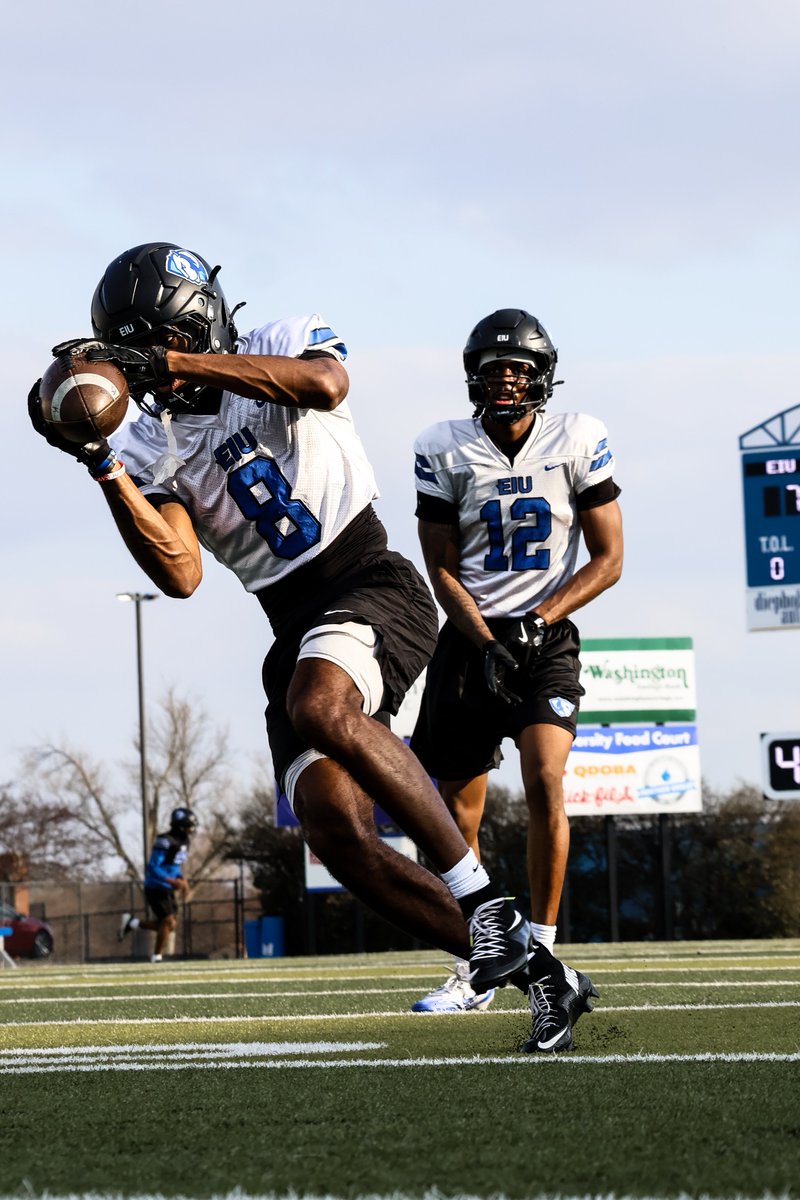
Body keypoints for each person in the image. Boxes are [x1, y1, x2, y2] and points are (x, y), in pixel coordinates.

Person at [29, 243, 532, 1010]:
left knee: (320, 706)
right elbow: (182, 573)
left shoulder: (274, 339)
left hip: (368, 578)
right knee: (334, 832)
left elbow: (327, 384)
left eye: (148, 350)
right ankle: (539, 972)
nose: (138, 372)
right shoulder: (150, 438)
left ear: (184, 333)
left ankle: (485, 899)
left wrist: (183, 366)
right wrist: (102, 461)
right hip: (290, 624)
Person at [409, 308, 622, 1053]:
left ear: (542, 375)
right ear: (473, 374)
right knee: (452, 816)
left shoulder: (577, 436)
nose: (505, 379)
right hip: (470, 643)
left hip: (545, 639)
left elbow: (608, 558)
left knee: (545, 780)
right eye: (493, 367)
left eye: (518, 368)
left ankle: (545, 945)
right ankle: (476, 963)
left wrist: (537, 619)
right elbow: (439, 565)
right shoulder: (443, 445)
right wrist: (483, 636)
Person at [119, 806, 197, 962]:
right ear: (179, 826)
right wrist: (171, 880)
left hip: (167, 887)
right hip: (155, 886)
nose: (191, 829)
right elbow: (153, 867)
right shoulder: (165, 840)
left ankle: (132, 923)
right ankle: (157, 957)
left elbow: (175, 866)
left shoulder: (184, 842)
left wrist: (181, 879)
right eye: (189, 826)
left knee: (169, 925)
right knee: (168, 922)